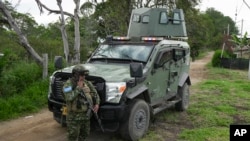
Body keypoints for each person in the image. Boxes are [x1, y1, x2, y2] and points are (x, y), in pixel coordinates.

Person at [62, 65, 100, 141]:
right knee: (72, 136)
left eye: (84, 75)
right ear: (75, 75)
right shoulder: (68, 85)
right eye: (81, 75)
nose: (83, 77)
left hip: (85, 116)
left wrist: (97, 104)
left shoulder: (87, 83)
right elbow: (68, 97)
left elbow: (95, 94)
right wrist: (78, 88)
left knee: (84, 135)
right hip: (73, 117)